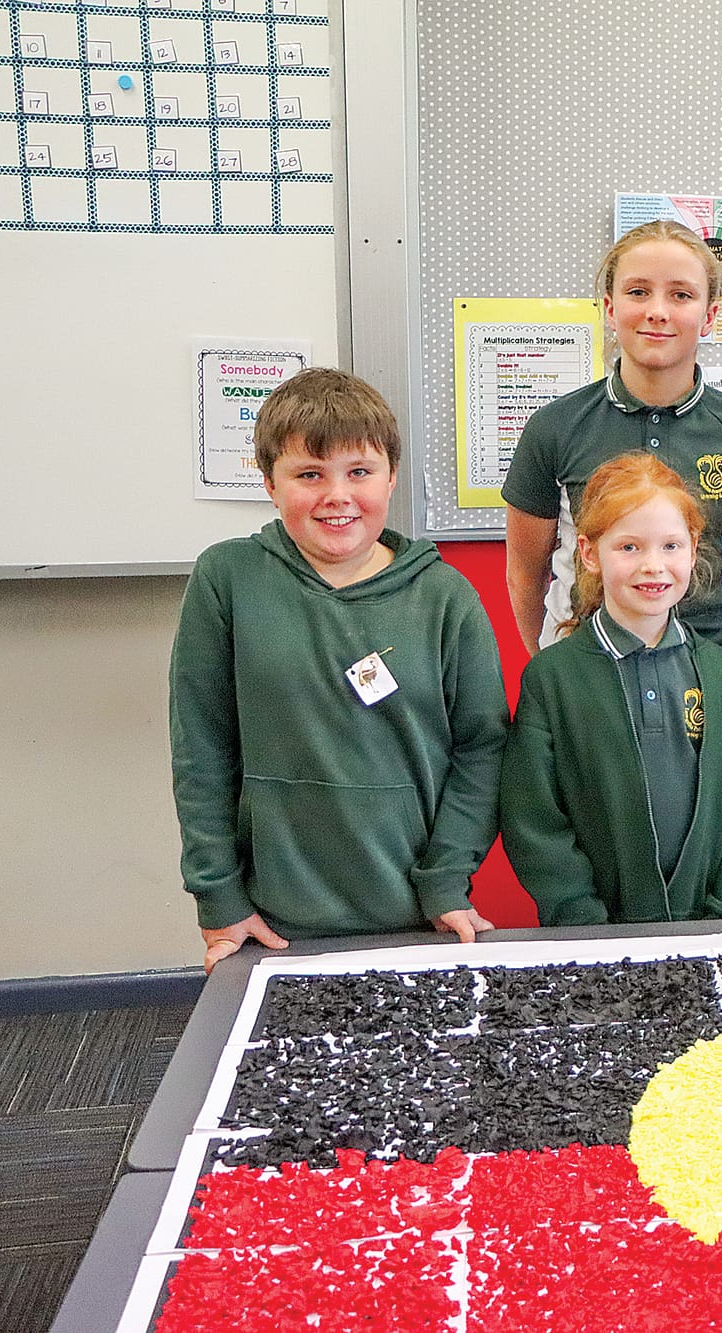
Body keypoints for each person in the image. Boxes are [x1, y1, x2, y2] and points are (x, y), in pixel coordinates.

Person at [169, 368, 508, 973]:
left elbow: (482, 748)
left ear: (390, 476)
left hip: (419, 912)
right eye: (308, 475)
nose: (337, 495)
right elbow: (202, 749)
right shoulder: (226, 580)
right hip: (272, 922)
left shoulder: (445, 597)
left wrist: (447, 877)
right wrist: (216, 892)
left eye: (359, 472)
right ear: (269, 483)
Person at [499, 454, 722, 924]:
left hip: (709, 933)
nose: (653, 566)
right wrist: (580, 918)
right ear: (589, 553)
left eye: (670, 546)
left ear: (693, 549)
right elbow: (533, 818)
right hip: (591, 944)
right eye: (629, 547)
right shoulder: (552, 679)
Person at [503, 219, 722, 659]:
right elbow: (524, 575)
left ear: (709, 315)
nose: (657, 310)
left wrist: (716, 660)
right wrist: (555, 665)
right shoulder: (554, 428)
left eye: (681, 294)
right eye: (637, 292)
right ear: (610, 308)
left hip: (701, 673)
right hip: (580, 671)